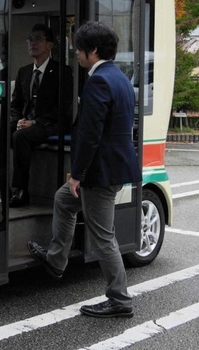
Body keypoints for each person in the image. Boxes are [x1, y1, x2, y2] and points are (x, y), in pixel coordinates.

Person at [27, 20, 140, 319]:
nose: (76, 54)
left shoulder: (99, 81)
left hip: (100, 173)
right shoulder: (120, 78)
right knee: (64, 200)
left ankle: (119, 299)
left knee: (103, 237)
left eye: (79, 49)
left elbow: (91, 134)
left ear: (93, 50)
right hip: (112, 168)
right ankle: (56, 260)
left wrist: (77, 175)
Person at [7, 24, 61, 208]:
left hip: (47, 124)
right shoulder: (24, 71)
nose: (33, 43)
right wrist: (17, 121)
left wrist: (34, 122)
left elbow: (62, 109)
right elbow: (15, 104)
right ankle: (1, 185)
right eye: (30, 39)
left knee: (20, 136)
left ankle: (20, 190)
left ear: (50, 45)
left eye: (38, 39)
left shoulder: (61, 72)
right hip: (25, 124)